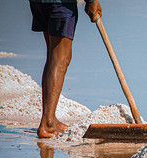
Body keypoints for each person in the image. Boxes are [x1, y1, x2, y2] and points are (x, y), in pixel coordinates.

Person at [29, 0, 102, 138]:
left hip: (38, 2)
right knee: (61, 60)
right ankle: (47, 123)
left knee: (52, 56)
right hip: (60, 3)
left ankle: (50, 118)